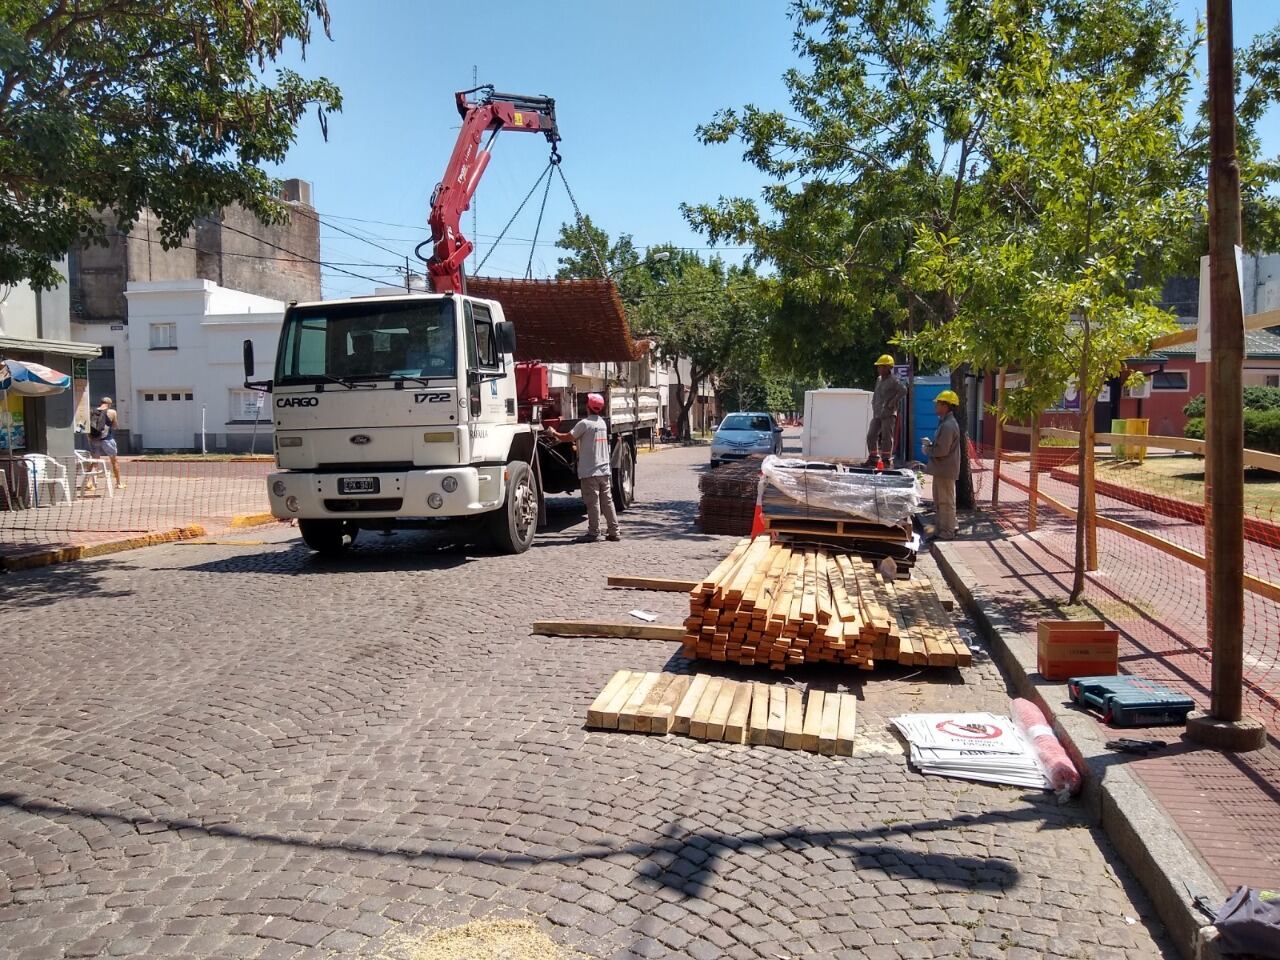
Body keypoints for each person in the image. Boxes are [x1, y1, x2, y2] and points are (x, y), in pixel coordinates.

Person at [543, 392, 619, 542]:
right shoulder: (601, 423)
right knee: (607, 501)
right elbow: (591, 443)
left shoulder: (585, 423)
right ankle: (614, 531)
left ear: (588, 407)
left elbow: (568, 437)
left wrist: (553, 433)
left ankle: (594, 532)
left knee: (593, 502)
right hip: (604, 470)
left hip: (590, 471)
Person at [922, 389, 961, 539]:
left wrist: (928, 449)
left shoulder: (948, 425)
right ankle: (941, 530)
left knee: (945, 502)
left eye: (938, 404)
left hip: (945, 470)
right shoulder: (945, 423)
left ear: (946, 405)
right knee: (940, 502)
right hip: (942, 469)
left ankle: (947, 531)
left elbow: (943, 450)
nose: (936, 406)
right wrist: (931, 446)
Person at [866, 353, 907, 466]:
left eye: (882, 366)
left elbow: (903, 391)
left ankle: (886, 460)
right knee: (871, 435)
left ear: (888, 367)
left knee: (886, 437)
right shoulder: (879, 379)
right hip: (878, 412)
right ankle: (873, 458)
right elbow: (876, 394)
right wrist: (874, 404)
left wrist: (892, 403)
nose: (879, 368)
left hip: (888, 414)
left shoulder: (894, 380)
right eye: (878, 366)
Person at [87, 396, 125, 490]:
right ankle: (118, 483)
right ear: (110, 404)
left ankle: (88, 482)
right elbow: (115, 426)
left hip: (94, 439)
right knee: (114, 461)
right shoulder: (112, 412)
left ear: (101, 402)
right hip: (107, 439)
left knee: (94, 461)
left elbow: (88, 426)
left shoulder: (92, 411)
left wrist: (90, 438)